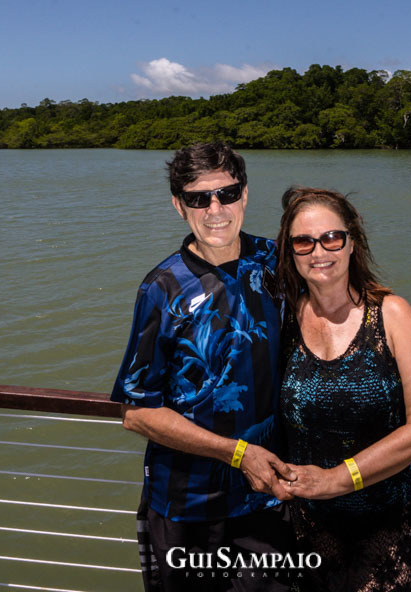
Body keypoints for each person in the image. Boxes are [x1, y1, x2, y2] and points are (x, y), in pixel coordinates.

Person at [110, 142, 296, 592]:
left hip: (268, 498)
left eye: (227, 194)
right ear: (179, 206)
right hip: (187, 505)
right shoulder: (162, 288)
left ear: (245, 195)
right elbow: (137, 413)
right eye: (198, 198)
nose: (216, 209)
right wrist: (236, 453)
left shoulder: (278, 263)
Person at [274, 186, 411, 591]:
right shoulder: (283, 318)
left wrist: (337, 479)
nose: (320, 252)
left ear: (352, 243)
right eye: (304, 241)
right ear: (290, 252)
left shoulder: (391, 314)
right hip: (311, 533)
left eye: (332, 237)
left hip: (394, 530)